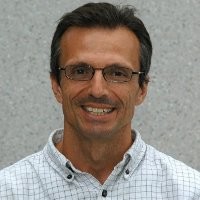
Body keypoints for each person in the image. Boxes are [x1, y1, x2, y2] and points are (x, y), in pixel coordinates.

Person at [0, 2, 200, 199]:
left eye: (117, 73)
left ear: (142, 88)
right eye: (80, 71)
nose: (97, 90)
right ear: (56, 85)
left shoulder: (188, 192)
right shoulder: (9, 192)